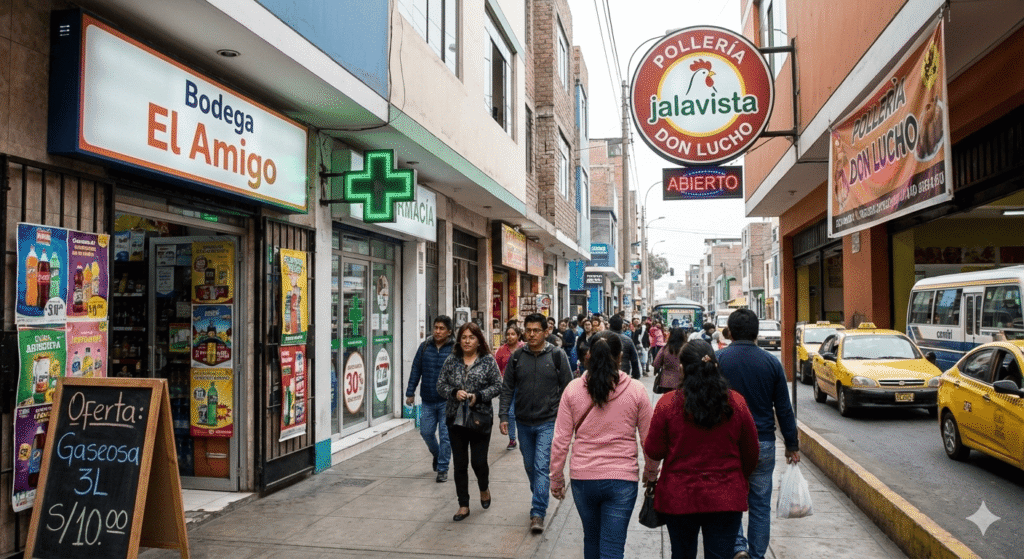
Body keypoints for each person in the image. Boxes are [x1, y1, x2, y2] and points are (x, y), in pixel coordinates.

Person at [644, 339, 759, 559]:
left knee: (682, 554)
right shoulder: (736, 402)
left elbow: (654, 449)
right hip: (725, 495)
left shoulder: (668, 404)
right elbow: (751, 453)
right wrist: (737, 477)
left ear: (681, 369)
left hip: (679, 497)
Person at [550, 330, 659, 559]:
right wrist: (651, 473)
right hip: (622, 480)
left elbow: (560, 440)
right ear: (620, 357)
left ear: (588, 355)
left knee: (591, 539)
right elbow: (649, 440)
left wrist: (556, 477)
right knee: (612, 548)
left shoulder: (572, 390)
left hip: (583, 478)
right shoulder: (636, 390)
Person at [716, 309, 800, 559]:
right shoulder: (771, 363)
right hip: (763, 442)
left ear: (730, 332)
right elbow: (783, 408)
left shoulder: (718, 360)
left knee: (729, 499)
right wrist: (792, 444)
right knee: (761, 505)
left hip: (727, 443)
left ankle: (738, 547)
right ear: (757, 332)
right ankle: (756, 556)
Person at [499, 313, 574, 534]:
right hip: (523, 422)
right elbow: (507, 388)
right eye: (528, 330)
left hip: (548, 422)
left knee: (541, 466)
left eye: (536, 331)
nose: (531, 334)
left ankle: (538, 512)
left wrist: (567, 419)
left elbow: (569, 389)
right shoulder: (517, 357)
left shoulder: (557, 355)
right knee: (530, 466)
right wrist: (504, 416)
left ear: (546, 332)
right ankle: (539, 494)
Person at [436, 322, 503, 522]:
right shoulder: (452, 360)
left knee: (478, 462)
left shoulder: (487, 360)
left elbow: (498, 385)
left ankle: (484, 488)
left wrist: (479, 396)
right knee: (460, 464)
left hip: (480, 419)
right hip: (455, 420)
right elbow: (440, 384)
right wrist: (454, 393)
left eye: (471, 337)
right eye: (463, 337)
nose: (467, 341)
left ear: (478, 340)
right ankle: (463, 504)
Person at [405, 316, 455, 483]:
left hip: (447, 401)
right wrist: (410, 392)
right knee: (426, 432)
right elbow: (416, 369)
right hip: (427, 399)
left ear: (449, 331)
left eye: (441, 328)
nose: (437, 331)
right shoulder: (425, 346)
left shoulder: (455, 349)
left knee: (445, 436)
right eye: (435, 328)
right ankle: (437, 454)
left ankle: (443, 468)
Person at [495, 326, 525, 450]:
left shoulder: (524, 348)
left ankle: (525, 438)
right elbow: (497, 368)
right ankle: (512, 439)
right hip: (508, 386)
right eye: (508, 334)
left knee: (523, 414)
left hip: (523, 386)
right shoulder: (501, 350)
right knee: (511, 414)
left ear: (518, 335)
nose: (510, 337)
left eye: (513, 334)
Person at [652, 327, 686, 393]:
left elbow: (656, 363)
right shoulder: (687, 348)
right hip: (683, 381)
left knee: (668, 398)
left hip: (667, 382)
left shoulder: (665, 348)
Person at [608, 315, 642, 379]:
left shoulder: (601, 337)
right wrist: (636, 375)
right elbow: (634, 359)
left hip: (605, 373)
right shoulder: (627, 340)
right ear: (621, 325)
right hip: (623, 373)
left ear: (610, 325)